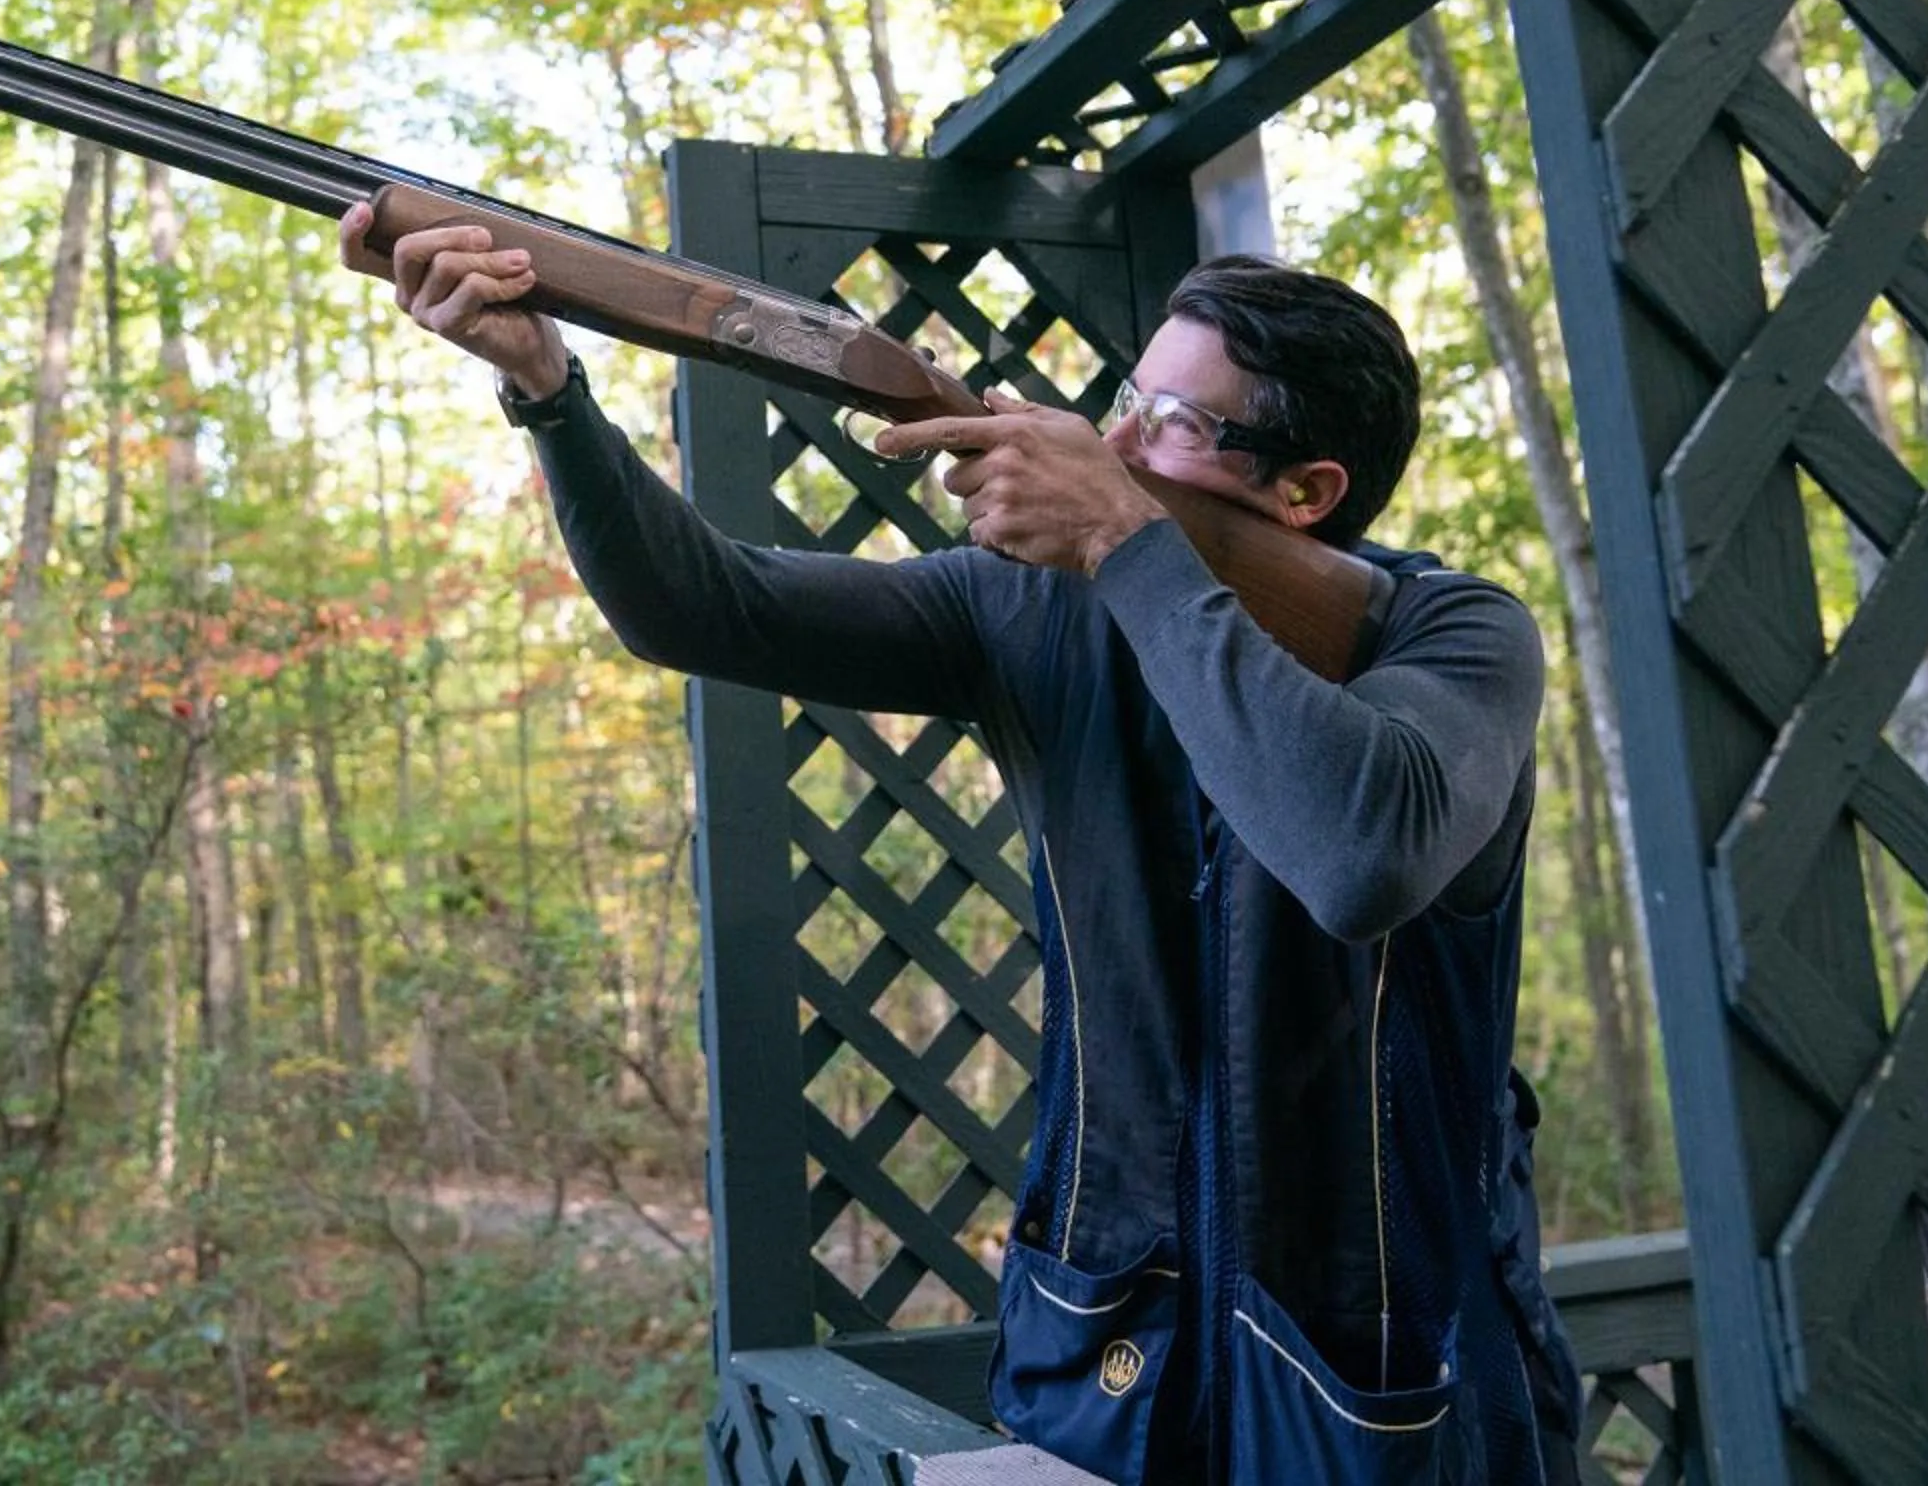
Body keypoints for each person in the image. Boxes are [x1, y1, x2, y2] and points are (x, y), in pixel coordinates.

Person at [341, 204, 1583, 1484]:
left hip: (1384, 1364)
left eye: (1164, 424)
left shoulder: (1455, 638)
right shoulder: (1029, 603)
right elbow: (704, 604)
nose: (1107, 442)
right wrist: (547, 389)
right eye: (1125, 396)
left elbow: (1358, 852)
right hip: (1113, 1336)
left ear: (1307, 490)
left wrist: (1128, 543)